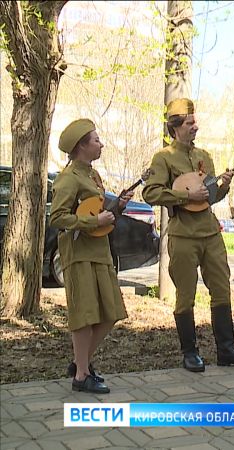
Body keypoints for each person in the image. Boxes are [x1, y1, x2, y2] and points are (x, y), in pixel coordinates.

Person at [143, 98, 234, 373]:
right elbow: (150, 193)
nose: (196, 127)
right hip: (183, 235)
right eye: (190, 123)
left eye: (195, 122)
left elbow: (209, 197)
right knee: (185, 295)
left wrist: (223, 187)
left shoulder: (204, 155)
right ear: (177, 126)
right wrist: (184, 195)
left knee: (221, 288)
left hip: (210, 233)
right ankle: (190, 353)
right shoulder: (164, 158)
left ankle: (226, 350)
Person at [51, 119, 131, 393]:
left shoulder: (92, 176)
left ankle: (79, 362)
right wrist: (94, 223)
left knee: (110, 312)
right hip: (79, 255)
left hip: (100, 252)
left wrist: (117, 206)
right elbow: (58, 218)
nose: (101, 144)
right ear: (81, 146)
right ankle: (82, 375)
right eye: (96, 140)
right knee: (84, 315)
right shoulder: (68, 179)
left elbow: (95, 210)